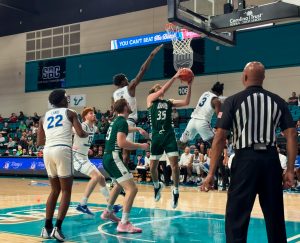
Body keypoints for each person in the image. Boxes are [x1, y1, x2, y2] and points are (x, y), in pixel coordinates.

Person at [201, 62, 297, 243]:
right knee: (275, 217)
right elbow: (291, 134)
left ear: (244, 77)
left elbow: (220, 137)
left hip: (245, 161)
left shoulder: (233, 101)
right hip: (270, 160)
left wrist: (211, 173)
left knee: (237, 217)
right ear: (263, 78)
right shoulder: (277, 101)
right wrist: (290, 170)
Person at [37, 89, 88, 242]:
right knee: (66, 190)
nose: (68, 99)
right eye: (66, 97)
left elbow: (39, 142)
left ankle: (46, 228)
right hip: (63, 150)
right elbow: (80, 133)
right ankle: (57, 228)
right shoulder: (70, 112)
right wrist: (88, 133)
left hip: (47, 151)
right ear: (61, 100)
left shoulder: (43, 117)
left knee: (54, 190)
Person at [101, 98, 149, 233]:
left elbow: (125, 129)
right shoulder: (122, 121)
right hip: (114, 157)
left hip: (107, 157)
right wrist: (141, 146)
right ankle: (124, 223)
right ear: (125, 108)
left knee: (118, 184)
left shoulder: (117, 121)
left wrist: (138, 128)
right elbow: (122, 143)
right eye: (128, 104)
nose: (130, 105)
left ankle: (108, 212)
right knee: (132, 189)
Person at [147, 69, 192, 208]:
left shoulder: (169, 102)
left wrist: (190, 84)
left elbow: (186, 102)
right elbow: (160, 92)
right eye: (158, 89)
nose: (161, 90)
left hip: (169, 136)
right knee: (152, 166)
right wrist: (174, 77)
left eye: (161, 88)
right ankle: (156, 186)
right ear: (154, 91)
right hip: (156, 137)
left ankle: (176, 191)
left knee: (174, 166)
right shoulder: (150, 101)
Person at [112, 44, 163, 165]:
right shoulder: (129, 88)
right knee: (126, 153)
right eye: (126, 78)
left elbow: (114, 111)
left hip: (116, 122)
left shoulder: (114, 94)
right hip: (128, 121)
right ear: (123, 81)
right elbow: (142, 70)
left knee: (117, 151)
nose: (128, 79)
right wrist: (151, 56)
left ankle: (116, 179)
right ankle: (125, 179)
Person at [72, 107, 113, 216]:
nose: (93, 115)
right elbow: (71, 131)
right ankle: (82, 204)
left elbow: (85, 141)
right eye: (91, 113)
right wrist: (73, 146)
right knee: (95, 177)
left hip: (84, 157)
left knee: (101, 178)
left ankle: (110, 205)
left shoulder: (94, 128)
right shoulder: (82, 126)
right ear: (85, 116)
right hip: (77, 157)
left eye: (94, 113)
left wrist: (87, 149)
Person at [178, 82, 224, 148]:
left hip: (192, 121)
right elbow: (219, 115)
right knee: (216, 144)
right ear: (220, 93)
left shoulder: (205, 93)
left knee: (181, 143)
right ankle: (217, 158)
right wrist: (222, 110)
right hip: (202, 123)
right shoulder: (216, 100)